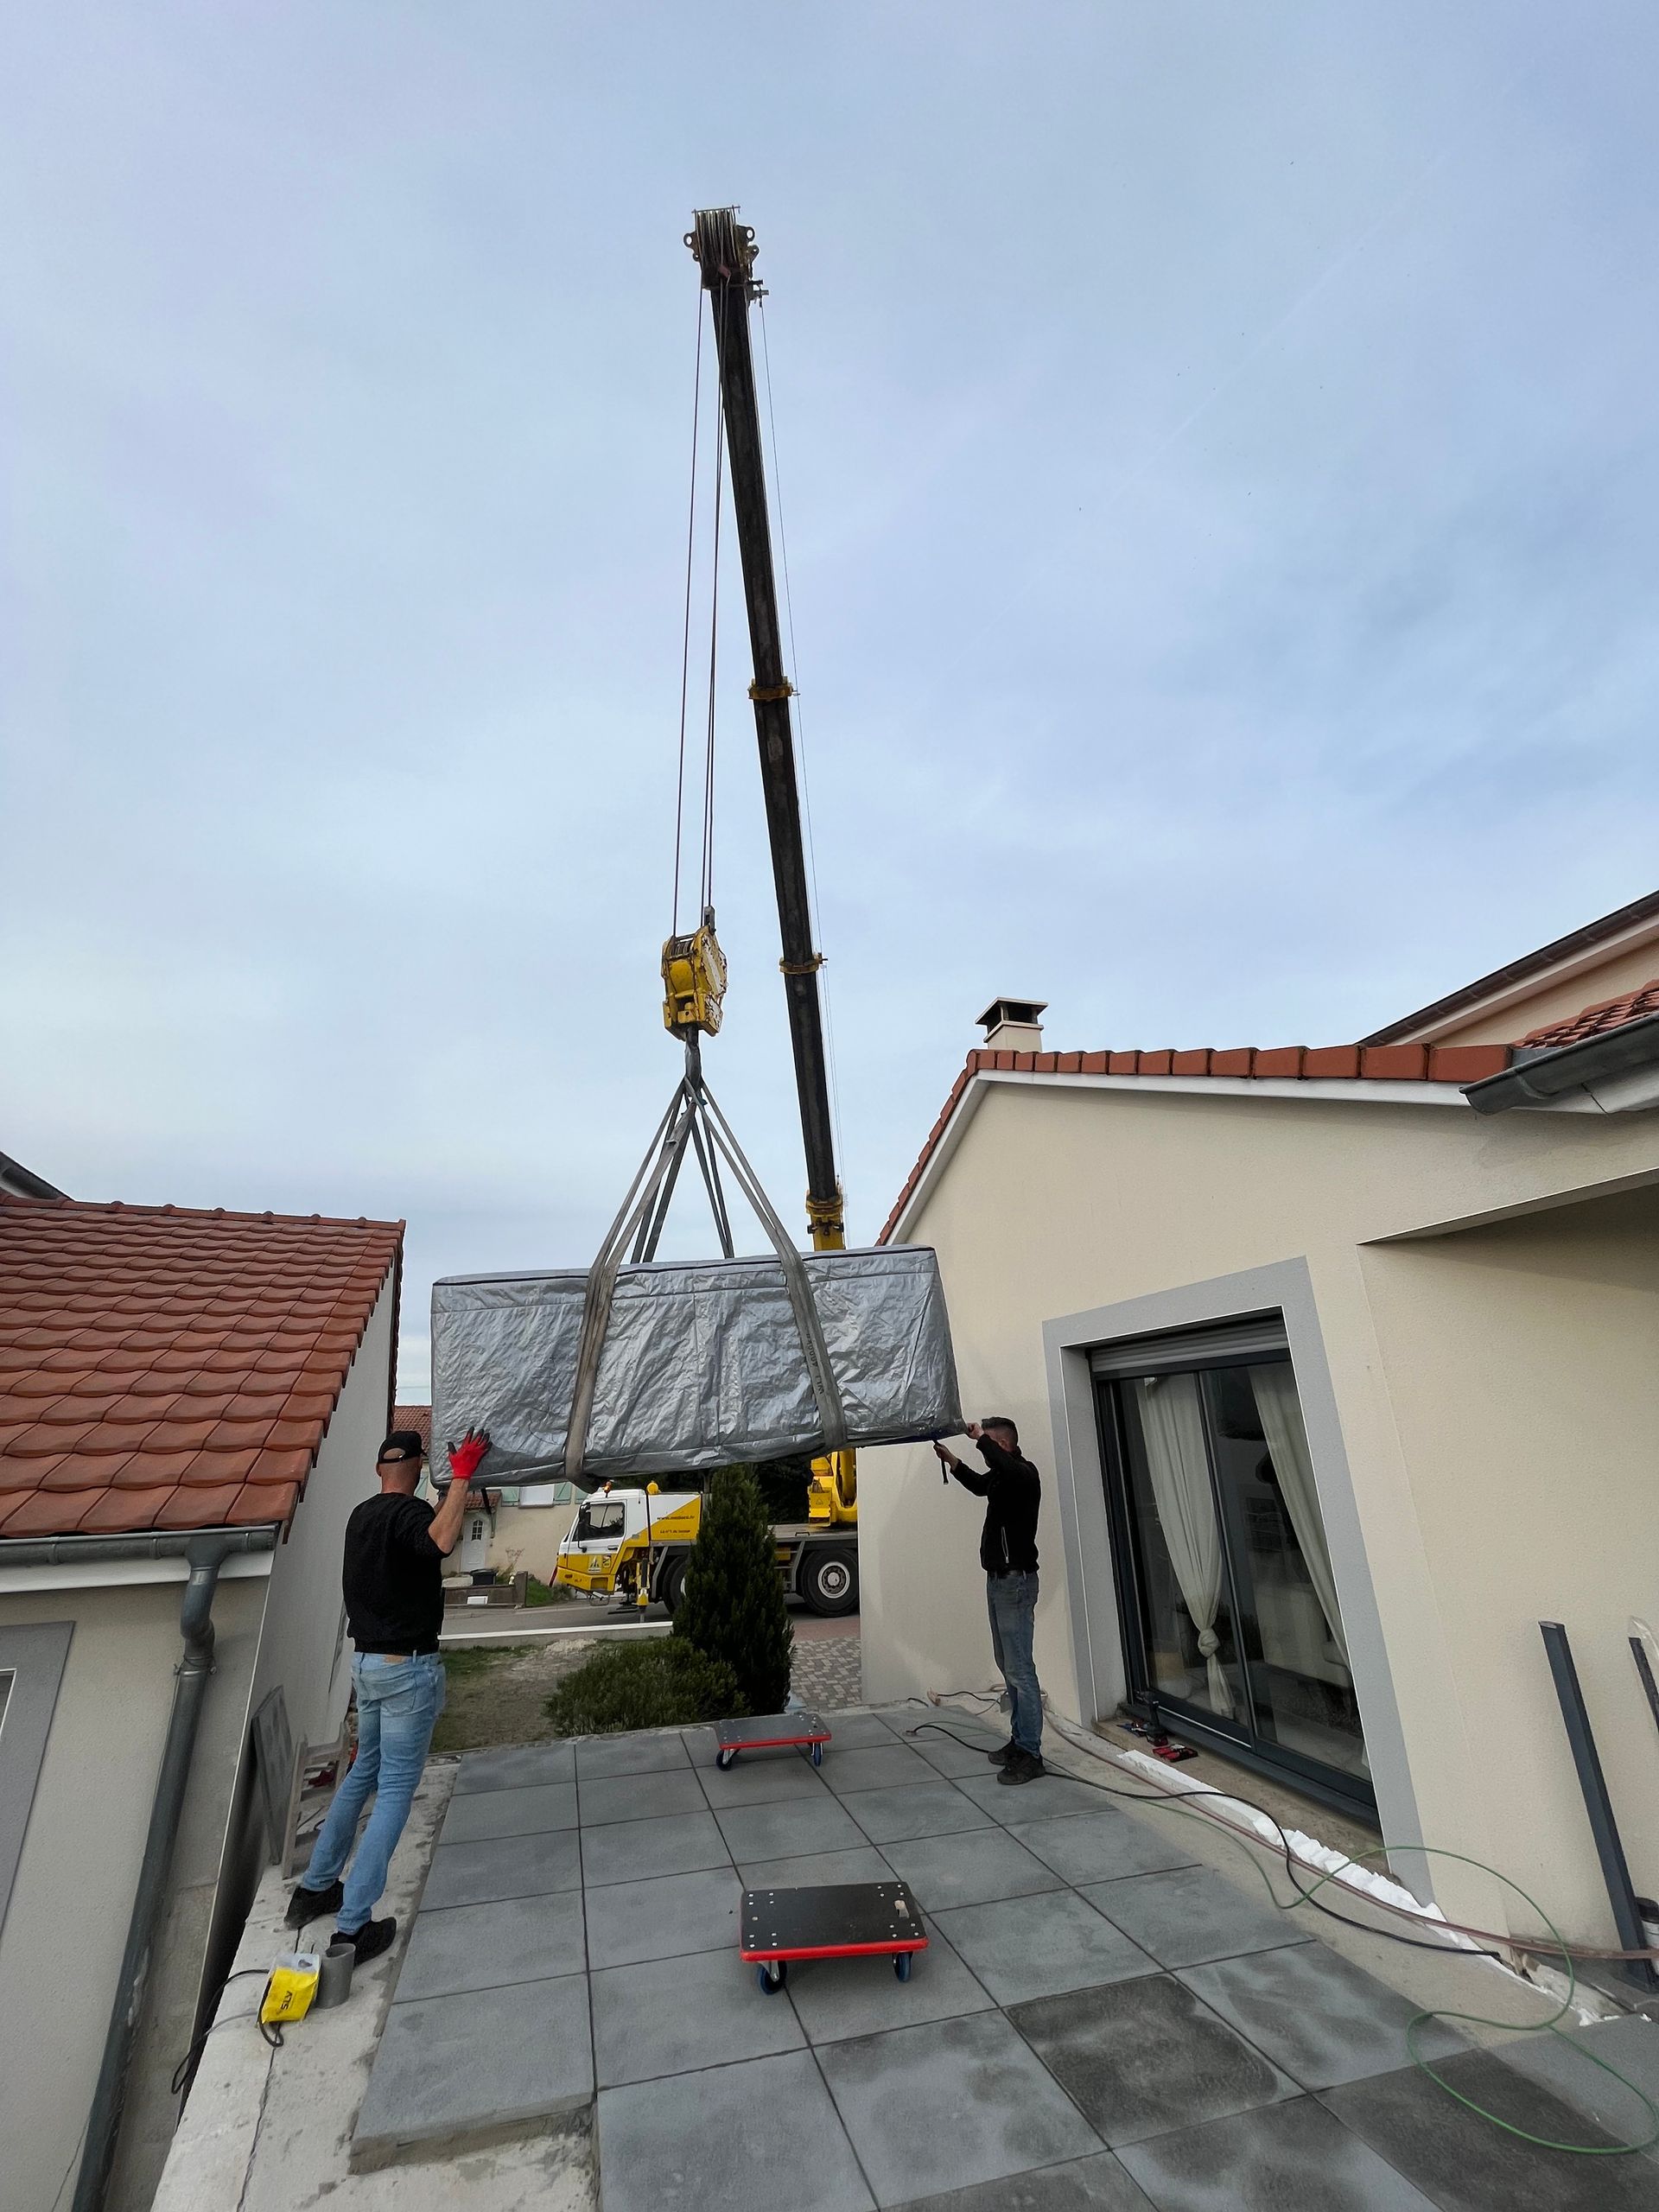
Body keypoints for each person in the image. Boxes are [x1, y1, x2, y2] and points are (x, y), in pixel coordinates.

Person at [285, 1426, 493, 1956]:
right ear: (420, 1468)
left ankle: (314, 1890)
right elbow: (441, 1541)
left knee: (362, 1776)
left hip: (367, 1666)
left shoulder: (362, 1516)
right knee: (396, 1790)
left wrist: (447, 1491)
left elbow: (424, 1538)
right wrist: (463, 1476)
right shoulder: (410, 1516)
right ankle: (352, 1927)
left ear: (380, 1470)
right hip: (407, 1669)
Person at [933, 1419, 1046, 1784]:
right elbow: (982, 1486)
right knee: (1007, 1664)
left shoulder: (1024, 1474)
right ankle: (1019, 1741)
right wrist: (953, 1461)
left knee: (1020, 1670)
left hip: (1016, 1583)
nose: (988, 1451)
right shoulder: (1003, 1478)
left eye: (993, 1444)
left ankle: (1031, 1753)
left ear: (1005, 1444)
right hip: (999, 1581)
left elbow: (1004, 1468)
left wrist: (980, 1439)